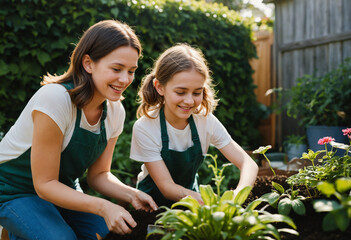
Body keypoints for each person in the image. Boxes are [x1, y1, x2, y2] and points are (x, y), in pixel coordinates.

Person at [0, 20, 158, 240]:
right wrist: (103, 207)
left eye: (131, 71)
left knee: (109, 234)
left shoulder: (114, 111)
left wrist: (132, 194)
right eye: (116, 69)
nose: (125, 79)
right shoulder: (55, 99)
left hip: (62, 190)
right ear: (88, 63)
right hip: (14, 190)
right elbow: (44, 184)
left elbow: (99, 175)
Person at [130, 43, 259, 207]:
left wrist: (237, 196)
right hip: (152, 207)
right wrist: (212, 203)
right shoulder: (145, 128)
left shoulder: (204, 121)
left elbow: (248, 164)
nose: (190, 101)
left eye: (197, 92)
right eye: (181, 92)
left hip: (194, 204)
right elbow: (167, 188)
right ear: (160, 87)